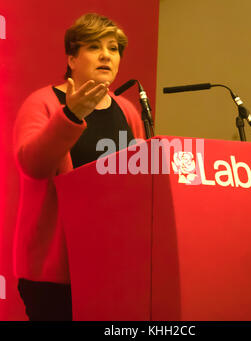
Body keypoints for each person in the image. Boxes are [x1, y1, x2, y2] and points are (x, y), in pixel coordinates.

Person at [13, 13, 145, 321]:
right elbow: (33, 165)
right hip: (55, 272)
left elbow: (139, 184)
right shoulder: (43, 103)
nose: (106, 56)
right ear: (71, 58)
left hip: (111, 265)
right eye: (94, 47)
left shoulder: (127, 110)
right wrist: (70, 116)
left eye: (113, 49)